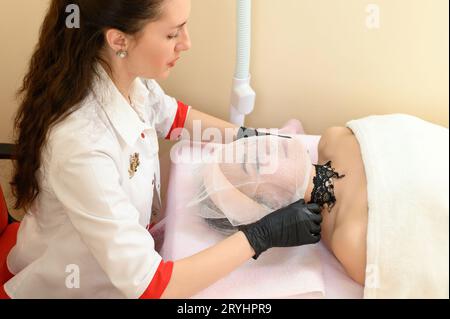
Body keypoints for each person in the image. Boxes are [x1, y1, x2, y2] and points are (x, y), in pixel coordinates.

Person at [2, 0, 322, 299]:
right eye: (172, 34)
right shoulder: (82, 147)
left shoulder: (122, 78)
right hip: (79, 286)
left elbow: (172, 117)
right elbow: (152, 286)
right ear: (119, 41)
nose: (186, 43)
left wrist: (247, 136)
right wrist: (259, 236)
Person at [193, 115, 449, 298]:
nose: (267, 143)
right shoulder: (354, 241)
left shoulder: (334, 138)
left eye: (253, 143)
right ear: (269, 206)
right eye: (258, 163)